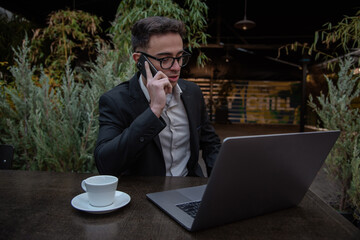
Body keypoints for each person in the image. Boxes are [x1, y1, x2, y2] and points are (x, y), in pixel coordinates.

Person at [94, 16, 221, 177]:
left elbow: (211, 143)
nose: (176, 67)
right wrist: (153, 111)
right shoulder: (115, 101)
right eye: (165, 59)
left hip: (189, 189)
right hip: (145, 195)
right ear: (139, 60)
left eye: (180, 56)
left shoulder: (193, 93)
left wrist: (218, 181)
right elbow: (106, 165)